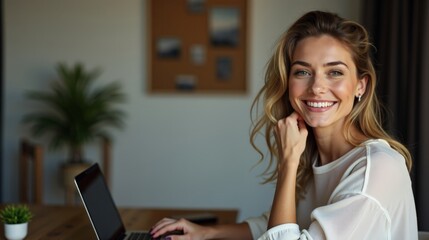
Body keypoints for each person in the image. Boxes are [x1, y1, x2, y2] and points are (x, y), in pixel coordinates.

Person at [150, 10, 418, 240]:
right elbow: (279, 225)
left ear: (361, 85)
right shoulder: (318, 156)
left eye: (334, 72)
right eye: (302, 72)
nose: (316, 88)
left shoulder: (375, 171)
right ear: (288, 82)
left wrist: (288, 163)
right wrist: (205, 233)